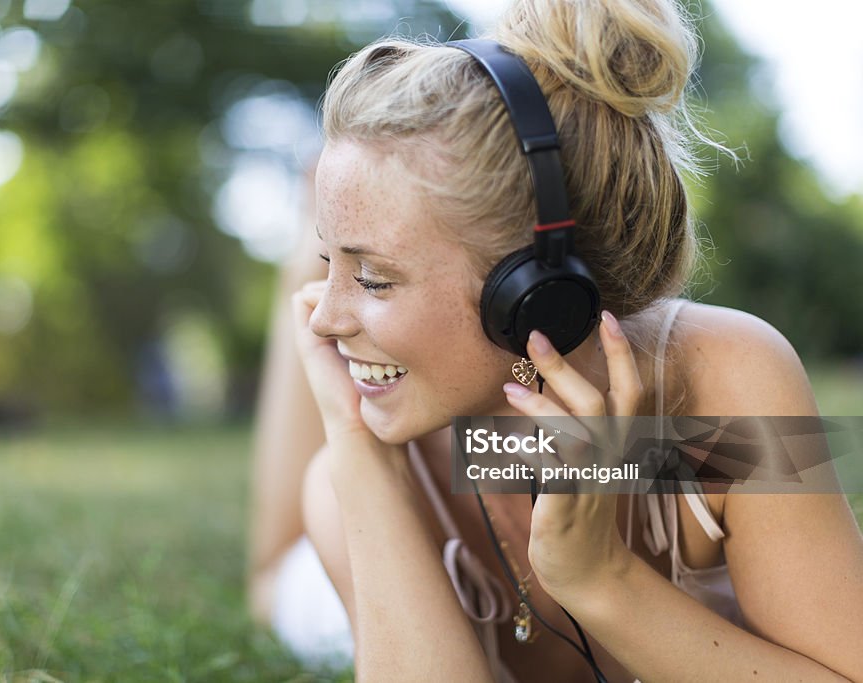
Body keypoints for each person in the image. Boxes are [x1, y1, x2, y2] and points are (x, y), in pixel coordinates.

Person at [248, 0, 863, 680]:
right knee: (276, 585)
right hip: (358, 552)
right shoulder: (352, 479)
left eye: (374, 278)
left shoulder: (734, 377)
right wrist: (358, 453)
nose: (325, 321)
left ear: (534, 292)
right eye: (330, 263)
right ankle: (299, 267)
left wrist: (601, 580)